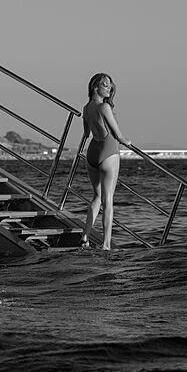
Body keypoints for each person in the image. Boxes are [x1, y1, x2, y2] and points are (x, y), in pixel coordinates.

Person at [80, 73, 131, 250]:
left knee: (97, 196)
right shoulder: (104, 107)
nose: (109, 88)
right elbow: (118, 135)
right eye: (105, 85)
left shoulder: (86, 108)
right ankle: (106, 244)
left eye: (110, 85)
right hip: (108, 150)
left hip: (93, 152)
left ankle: (85, 235)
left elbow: (86, 134)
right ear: (96, 87)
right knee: (108, 199)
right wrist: (127, 142)